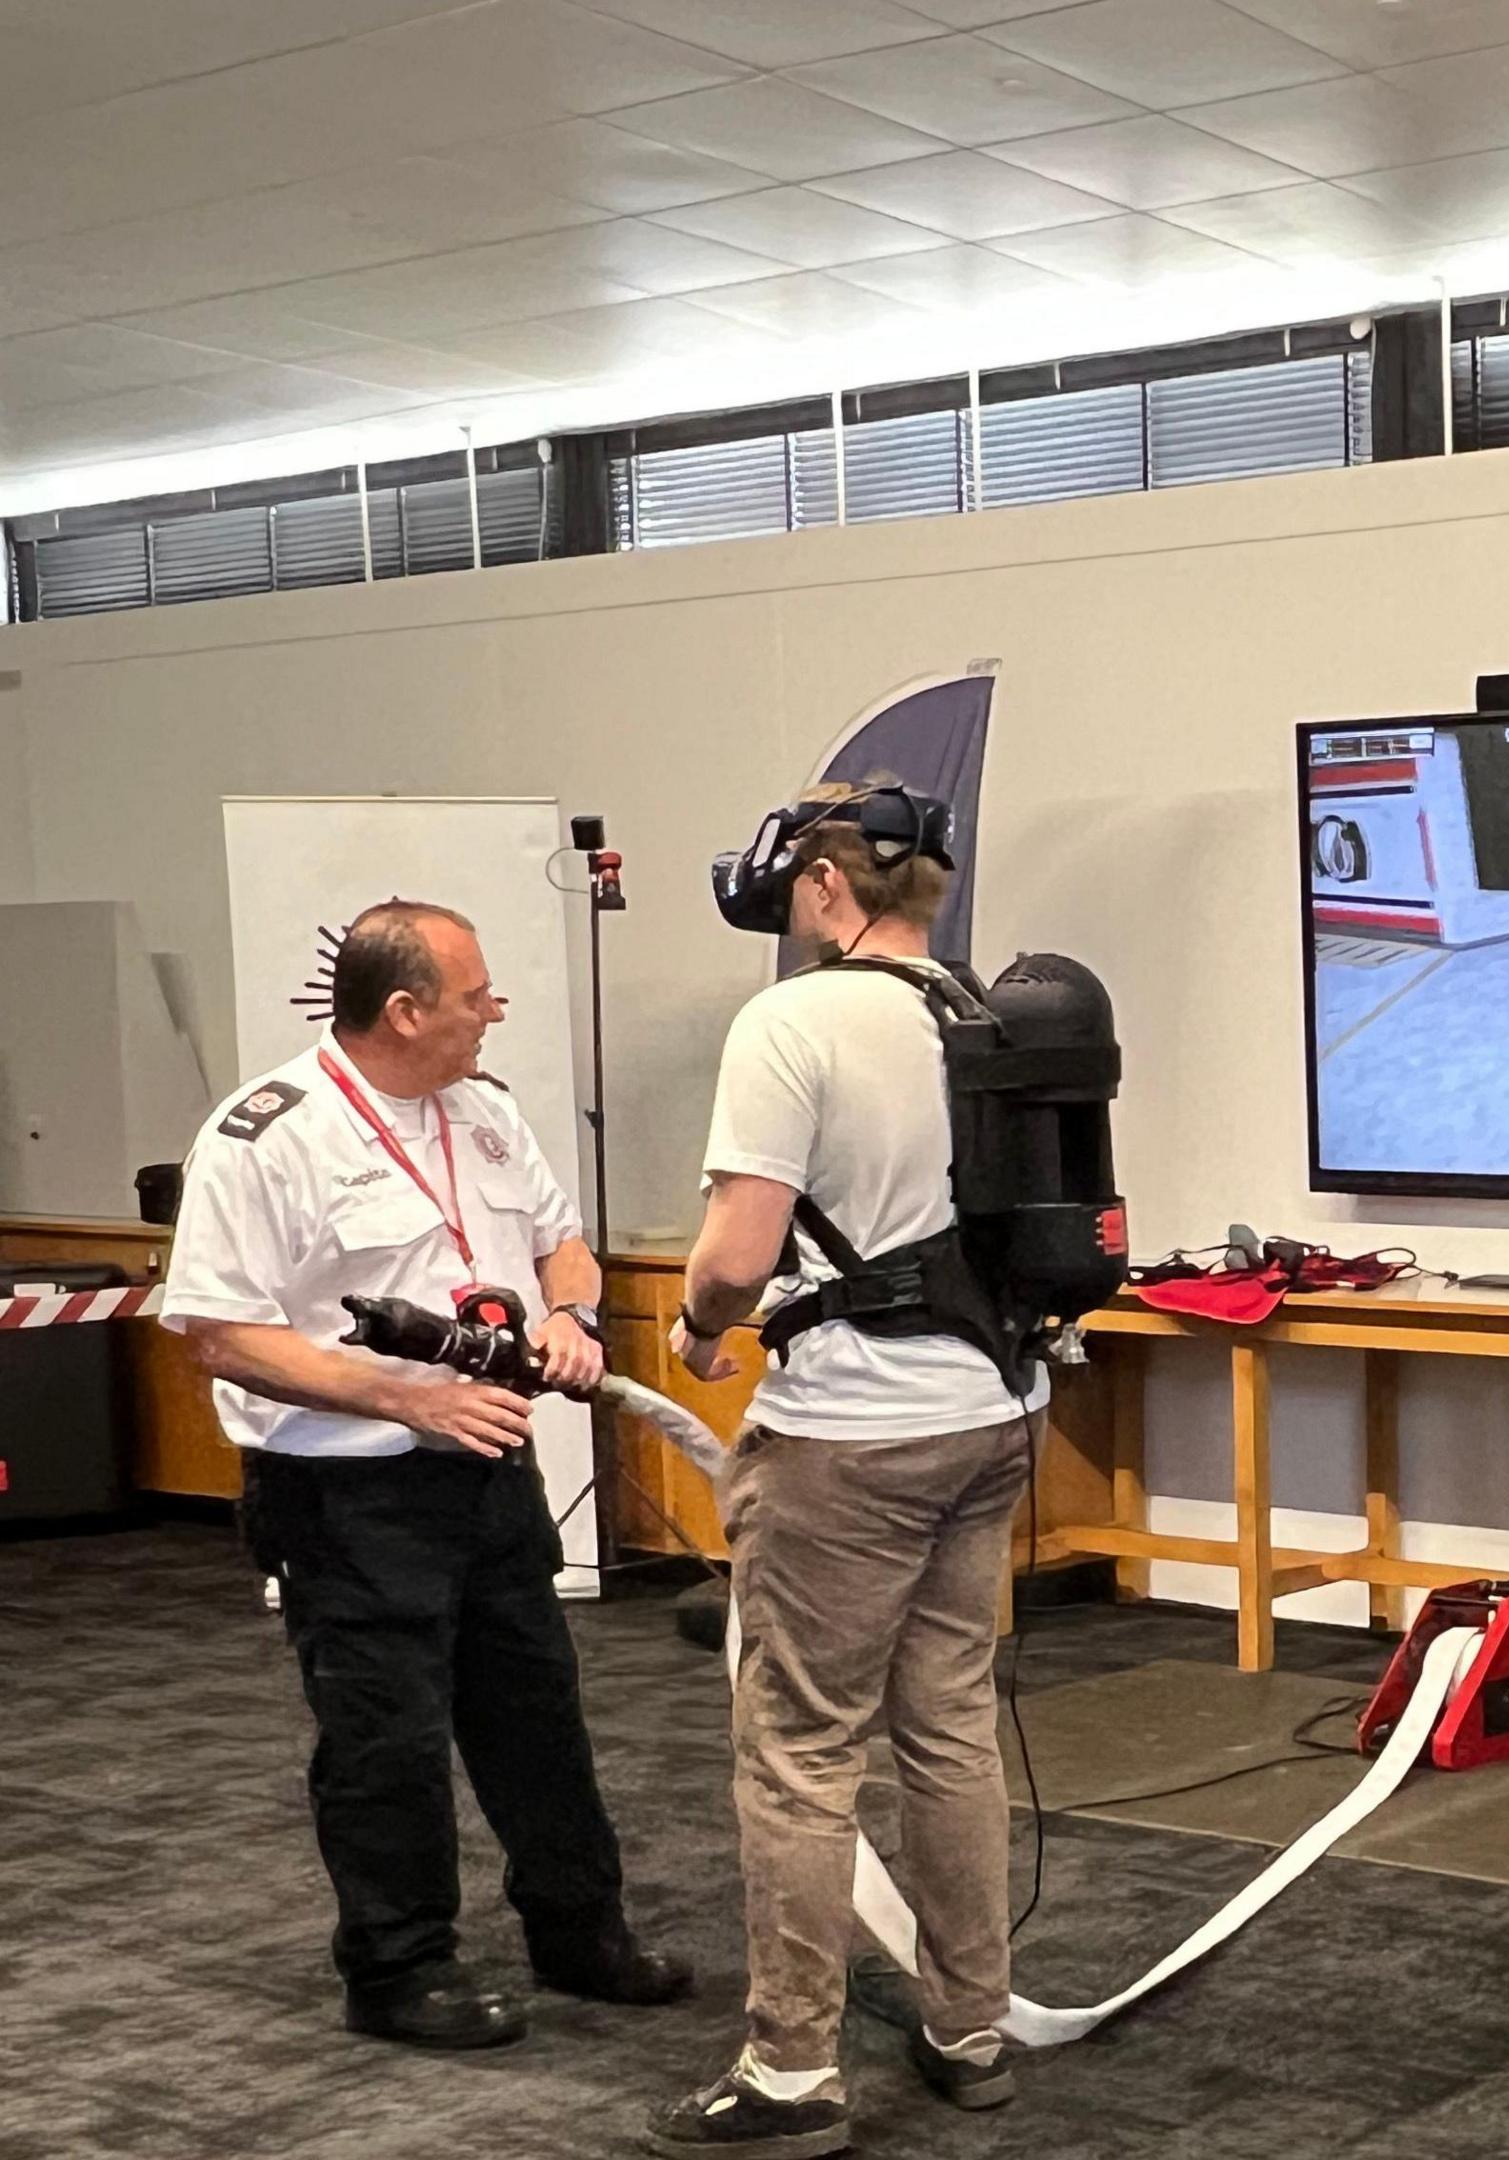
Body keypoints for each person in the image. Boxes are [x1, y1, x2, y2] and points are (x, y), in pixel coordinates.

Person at [160, 900, 689, 2050]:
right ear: (404, 1011)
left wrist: (571, 1310)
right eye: (475, 996)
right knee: (385, 1741)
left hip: (489, 1470)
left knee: (535, 1714)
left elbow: (561, 1238)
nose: (494, 1011)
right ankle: (399, 1971)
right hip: (348, 1494)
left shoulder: (486, 1110)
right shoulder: (265, 1136)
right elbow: (217, 1331)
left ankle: (579, 1931)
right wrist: (407, 1394)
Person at [648, 783, 1043, 2157]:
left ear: (824, 888)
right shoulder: (986, 1013)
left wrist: (696, 1329)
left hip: (849, 1439)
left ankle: (792, 2070)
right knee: (946, 1727)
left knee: (803, 1751)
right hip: (991, 1418)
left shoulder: (793, 1021)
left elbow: (738, 1258)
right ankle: (969, 2025)